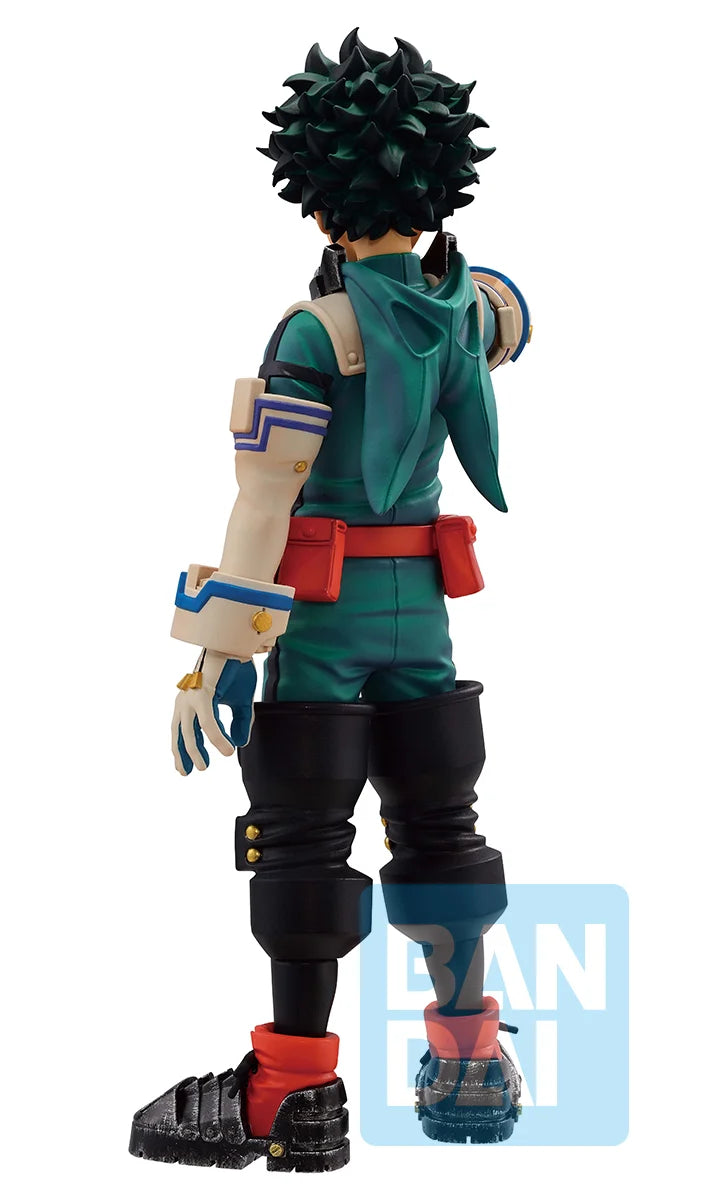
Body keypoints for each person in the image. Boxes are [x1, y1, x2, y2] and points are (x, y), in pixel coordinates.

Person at [130, 29, 532, 1172]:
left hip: (324, 613)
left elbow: (266, 499)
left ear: (314, 199)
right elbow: (510, 317)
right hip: (425, 609)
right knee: (442, 823)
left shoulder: (315, 333)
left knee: (304, 837)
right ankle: (470, 1062)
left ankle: (291, 1091)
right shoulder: (471, 311)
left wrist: (217, 653)